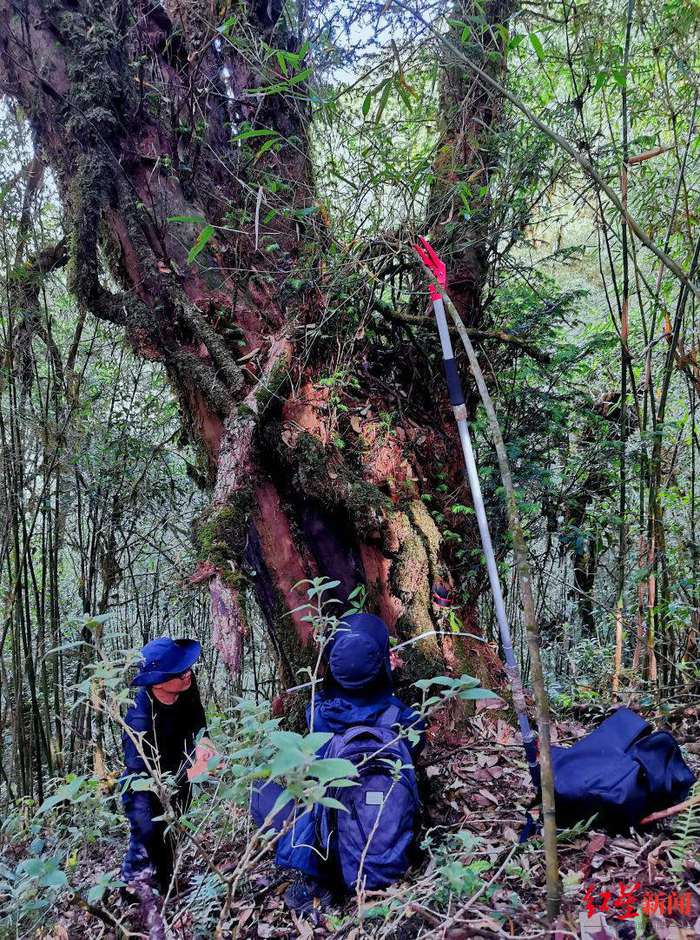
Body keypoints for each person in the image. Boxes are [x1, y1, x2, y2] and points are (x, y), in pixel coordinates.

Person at [251, 611, 425, 913]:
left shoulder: (317, 716)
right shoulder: (406, 720)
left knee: (257, 790)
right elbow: (412, 745)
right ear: (384, 663)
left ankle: (319, 881)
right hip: (392, 855)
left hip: (333, 860)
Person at [120, 637, 215, 896]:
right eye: (179, 672)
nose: (188, 673)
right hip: (143, 785)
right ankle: (130, 895)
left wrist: (204, 744)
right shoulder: (139, 719)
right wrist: (191, 773)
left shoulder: (186, 685)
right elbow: (140, 773)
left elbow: (197, 718)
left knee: (173, 832)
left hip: (179, 769)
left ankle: (167, 888)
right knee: (147, 837)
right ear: (158, 682)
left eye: (187, 668)